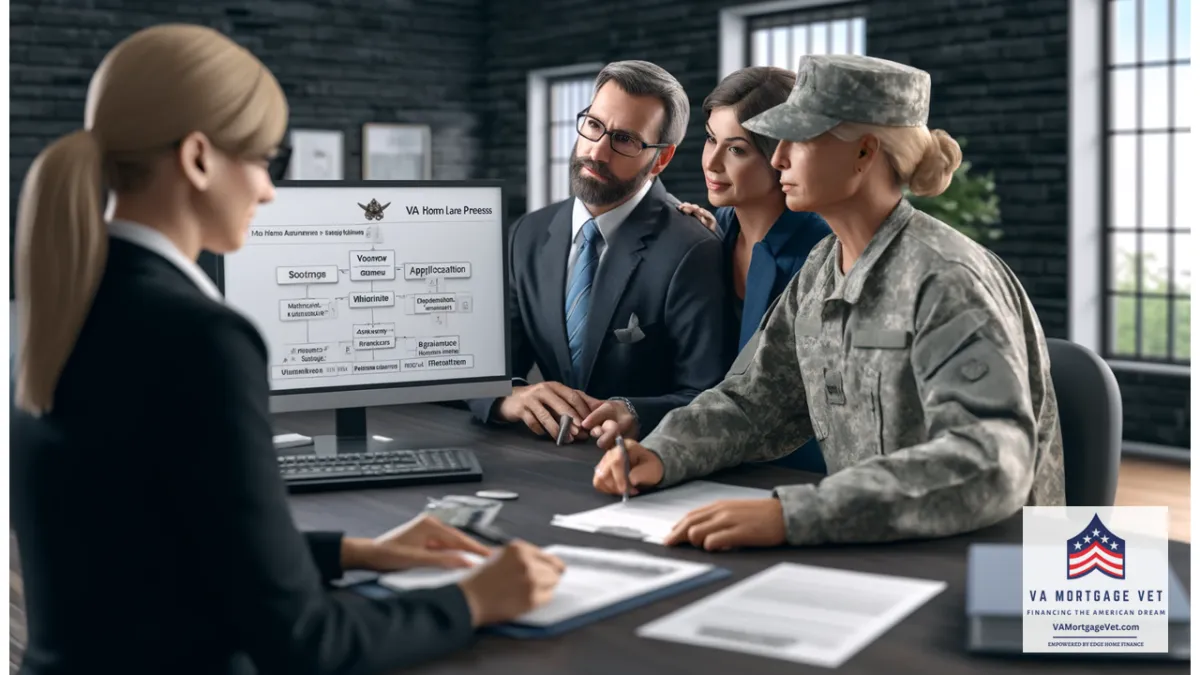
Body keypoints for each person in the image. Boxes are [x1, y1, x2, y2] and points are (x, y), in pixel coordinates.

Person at [9, 24, 563, 675]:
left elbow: (154, 546)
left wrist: (352, 551)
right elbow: (304, 641)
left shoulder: (69, 301)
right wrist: (472, 599)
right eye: (266, 160)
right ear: (197, 158)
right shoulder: (199, 336)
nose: (270, 190)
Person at [591, 54, 1066, 551]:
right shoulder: (822, 267)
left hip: (988, 571)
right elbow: (755, 400)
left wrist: (793, 514)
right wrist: (665, 452)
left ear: (864, 154)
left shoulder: (947, 278)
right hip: (871, 550)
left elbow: (990, 461)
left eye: (800, 140)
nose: (778, 159)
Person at [466, 60, 728, 445]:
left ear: (661, 158)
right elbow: (483, 368)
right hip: (540, 463)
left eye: (624, 139)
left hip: (645, 465)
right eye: (593, 125)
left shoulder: (693, 249)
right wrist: (512, 397)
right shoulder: (527, 234)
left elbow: (709, 397)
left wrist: (637, 414)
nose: (598, 152)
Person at [676, 66, 832, 472]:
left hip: (800, 471)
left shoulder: (821, 254)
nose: (711, 162)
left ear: (780, 155)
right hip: (715, 458)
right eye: (710, 139)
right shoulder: (712, 232)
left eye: (737, 149)